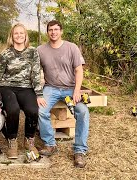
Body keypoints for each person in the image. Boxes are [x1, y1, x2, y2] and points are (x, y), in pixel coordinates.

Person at [37, 20, 90, 168]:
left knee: (83, 112)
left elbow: (79, 70)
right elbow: (34, 71)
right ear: (47, 32)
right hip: (51, 88)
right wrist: (37, 93)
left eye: (56, 29)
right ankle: (50, 144)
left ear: (61, 31)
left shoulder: (71, 47)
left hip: (70, 88)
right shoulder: (41, 50)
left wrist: (77, 90)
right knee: (41, 111)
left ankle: (79, 150)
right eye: (50, 30)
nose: (53, 32)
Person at [0, 23, 42, 159]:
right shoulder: (6, 54)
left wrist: (39, 94)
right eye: (16, 33)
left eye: (21, 33)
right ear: (12, 36)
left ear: (25, 35)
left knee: (33, 110)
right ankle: (12, 141)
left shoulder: (33, 52)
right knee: (13, 109)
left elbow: (35, 75)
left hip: (25, 87)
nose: (19, 35)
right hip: (6, 87)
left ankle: (29, 140)